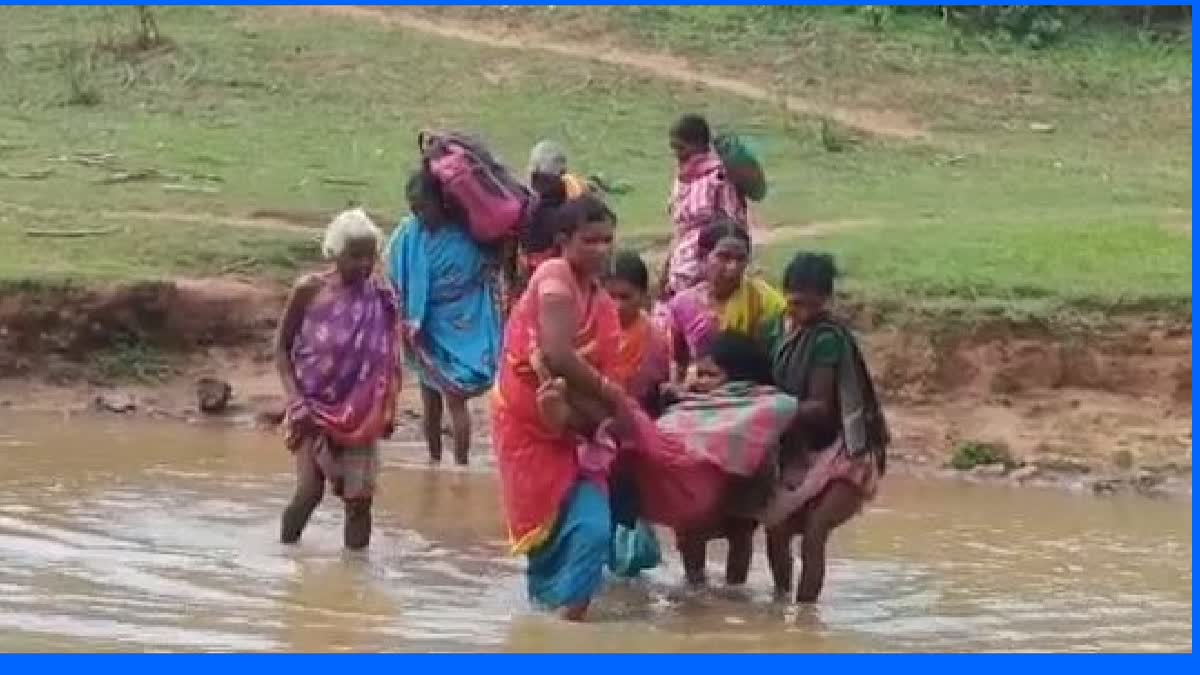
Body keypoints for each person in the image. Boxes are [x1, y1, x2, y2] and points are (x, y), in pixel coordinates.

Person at [490, 193, 626, 621]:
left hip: (578, 435)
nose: (602, 250)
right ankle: (548, 628)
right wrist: (605, 391)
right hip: (526, 430)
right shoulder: (553, 276)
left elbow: (603, 373)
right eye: (591, 240)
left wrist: (586, 411)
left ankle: (568, 624)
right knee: (545, 538)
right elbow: (555, 354)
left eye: (608, 241)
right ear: (564, 240)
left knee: (592, 530)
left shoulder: (602, 304)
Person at [762, 252, 889, 603]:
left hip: (845, 450)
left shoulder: (826, 338)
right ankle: (779, 606)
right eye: (795, 303)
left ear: (826, 301)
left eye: (809, 305)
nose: (801, 312)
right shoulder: (782, 332)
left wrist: (769, 411)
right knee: (776, 529)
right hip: (803, 451)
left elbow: (820, 408)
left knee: (815, 532)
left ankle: (804, 617)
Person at [276, 208, 399, 551]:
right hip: (311, 407)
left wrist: (386, 405)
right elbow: (282, 350)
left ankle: (356, 571)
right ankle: (287, 553)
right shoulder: (309, 290)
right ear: (335, 253)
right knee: (309, 492)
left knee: (359, 502)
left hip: (361, 412)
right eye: (355, 256)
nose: (363, 265)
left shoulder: (381, 297)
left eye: (370, 256)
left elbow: (389, 357)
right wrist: (295, 400)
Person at [651, 331, 793, 588]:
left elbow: (781, 415)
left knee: (740, 535)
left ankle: (735, 590)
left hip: (746, 483)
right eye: (700, 374)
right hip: (699, 484)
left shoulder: (761, 403)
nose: (703, 381)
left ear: (739, 379)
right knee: (690, 533)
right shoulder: (689, 404)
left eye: (711, 375)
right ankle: (694, 586)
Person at [386, 170, 502, 466]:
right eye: (412, 206)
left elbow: (487, 266)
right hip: (425, 327)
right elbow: (394, 274)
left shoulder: (466, 235)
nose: (418, 213)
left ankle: (461, 465)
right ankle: (434, 462)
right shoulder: (408, 236)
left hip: (462, 324)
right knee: (430, 401)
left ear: (441, 202)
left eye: (423, 205)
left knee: (456, 399)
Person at [658, 218, 786, 380]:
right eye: (724, 257)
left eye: (741, 259)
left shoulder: (765, 301)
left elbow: (777, 360)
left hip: (753, 387)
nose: (733, 267)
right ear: (703, 257)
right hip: (702, 390)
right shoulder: (683, 305)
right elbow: (678, 363)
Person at [660, 113, 748, 298]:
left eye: (681, 148)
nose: (677, 154)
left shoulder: (719, 178)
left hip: (706, 274)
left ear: (699, 146)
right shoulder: (683, 179)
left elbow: (732, 226)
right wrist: (667, 266)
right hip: (681, 267)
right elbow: (680, 230)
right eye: (673, 148)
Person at [603, 250, 671, 414]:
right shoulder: (588, 329)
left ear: (643, 296)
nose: (617, 305)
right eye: (611, 296)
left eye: (625, 297)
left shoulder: (655, 340)